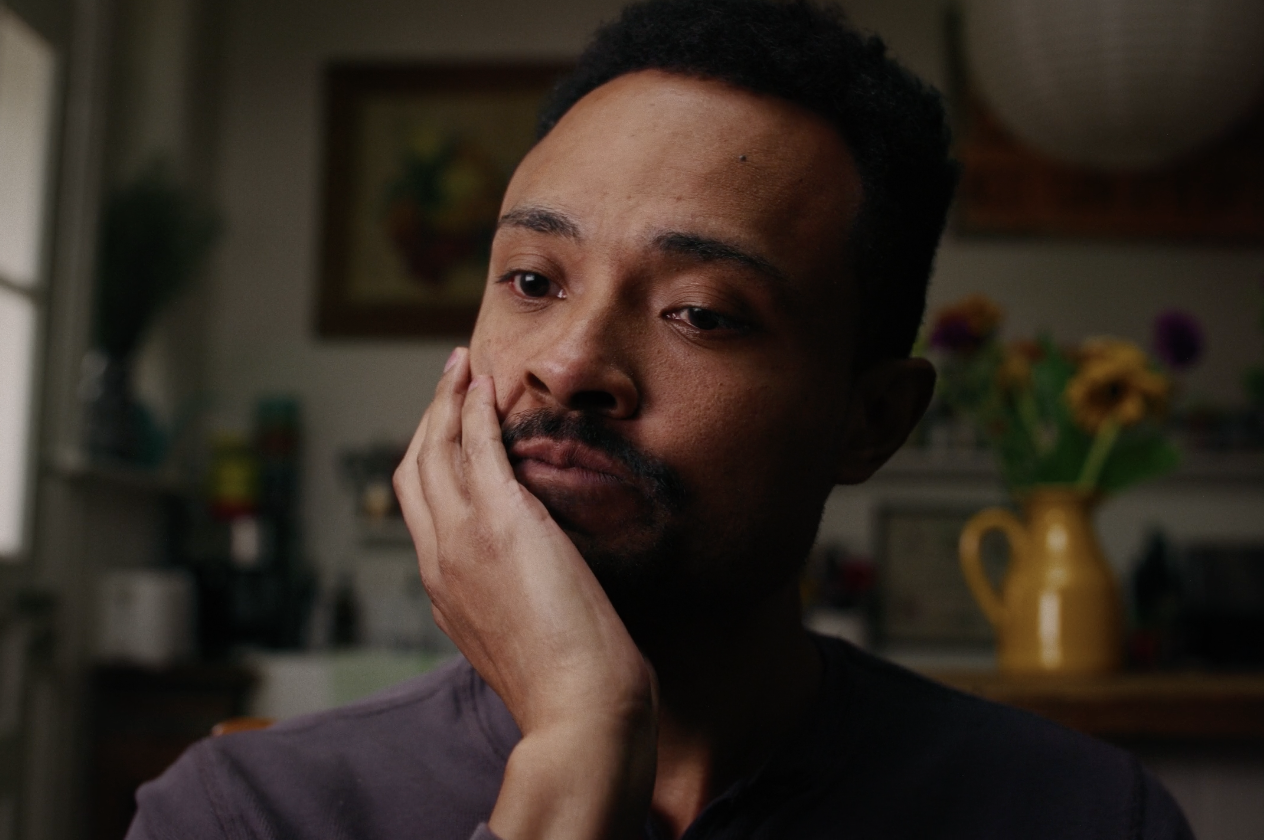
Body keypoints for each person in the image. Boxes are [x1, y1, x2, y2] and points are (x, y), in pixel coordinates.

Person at [128, 1, 1194, 838]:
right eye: (534, 281)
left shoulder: (1084, 817)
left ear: (870, 420)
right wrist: (578, 753)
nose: (572, 364)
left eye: (701, 312)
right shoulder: (246, 815)